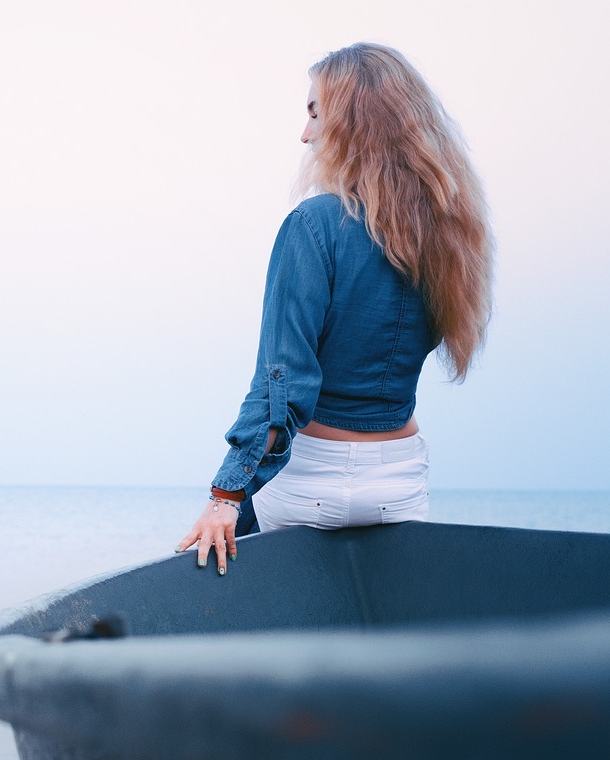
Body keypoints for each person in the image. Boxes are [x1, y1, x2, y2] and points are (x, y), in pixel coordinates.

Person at [175, 43, 493, 576]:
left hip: (311, 485)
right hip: (399, 485)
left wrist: (225, 494)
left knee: (222, 558)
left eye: (314, 112)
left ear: (352, 122)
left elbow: (283, 383)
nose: (305, 134)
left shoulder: (314, 224)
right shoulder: (450, 235)